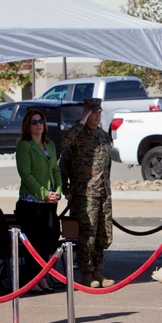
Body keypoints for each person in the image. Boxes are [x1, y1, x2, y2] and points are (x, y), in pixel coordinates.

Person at [61, 97, 114, 288]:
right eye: (93, 113)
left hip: (103, 192)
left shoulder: (104, 136)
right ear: (86, 114)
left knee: (103, 233)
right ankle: (86, 273)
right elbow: (64, 153)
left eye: (99, 113)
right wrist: (66, 189)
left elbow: (107, 165)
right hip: (84, 194)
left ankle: (98, 272)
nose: (97, 116)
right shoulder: (77, 135)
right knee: (87, 235)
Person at [14, 110, 61, 292]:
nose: (38, 124)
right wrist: (43, 193)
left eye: (41, 121)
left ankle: (44, 276)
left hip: (49, 203)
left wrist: (57, 190)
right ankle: (33, 280)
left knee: (49, 240)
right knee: (34, 243)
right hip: (31, 203)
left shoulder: (49, 145)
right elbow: (26, 174)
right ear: (28, 125)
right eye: (34, 122)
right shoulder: (24, 146)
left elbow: (55, 170)